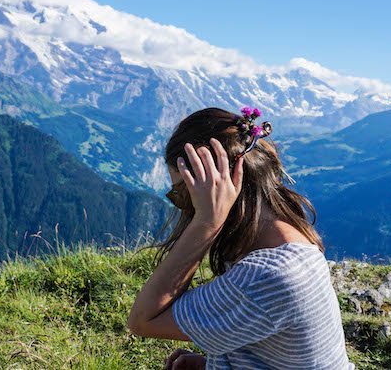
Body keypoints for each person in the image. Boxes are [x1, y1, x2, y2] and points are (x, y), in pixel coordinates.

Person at [127, 106, 354, 370]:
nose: (183, 206)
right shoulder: (290, 239)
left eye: (181, 194)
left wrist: (206, 221)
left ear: (216, 189)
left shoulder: (268, 275)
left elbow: (143, 319)